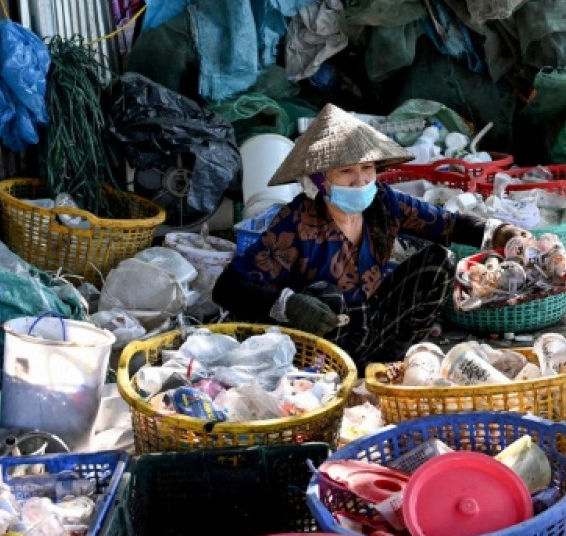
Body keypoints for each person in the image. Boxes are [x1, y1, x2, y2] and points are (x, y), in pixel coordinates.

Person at [214, 104, 530, 364]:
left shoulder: (383, 202)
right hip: (322, 344)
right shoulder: (297, 222)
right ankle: (340, 373)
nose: (361, 180)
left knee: (439, 262)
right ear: (320, 180)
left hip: (375, 329)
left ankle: (391, 362)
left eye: (367, 168)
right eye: (346, 171)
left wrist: (500, 232)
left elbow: (447, 224)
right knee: (328, 296)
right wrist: (289, 304)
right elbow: (228, 287)